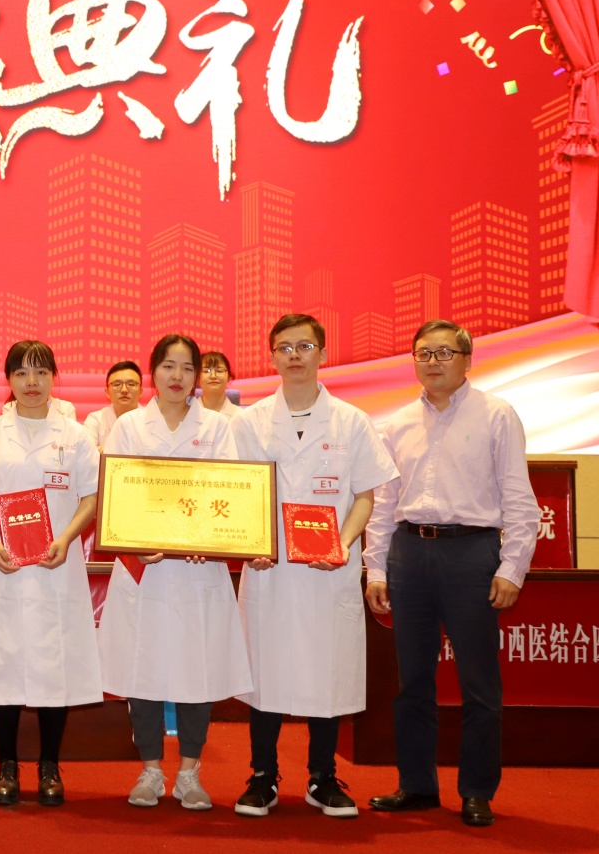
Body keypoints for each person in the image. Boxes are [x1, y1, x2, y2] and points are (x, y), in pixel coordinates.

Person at [364, 320, 540, 828]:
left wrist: (512, 568)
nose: (433, 362)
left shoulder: (496, 414)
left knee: (478, 683)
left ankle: (477, 790)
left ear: (467, 359)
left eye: (444, 353)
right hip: (409, 554)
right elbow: (384, 503)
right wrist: (375, 568)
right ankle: (417, 785)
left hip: (471, 553)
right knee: (412, 681)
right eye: (423, 353)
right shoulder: (396, 423)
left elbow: (519, 498)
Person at [230, 313, 398, 819]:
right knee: (266, 671)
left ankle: (323, 778)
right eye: (285, 347)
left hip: (330, 571)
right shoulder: (250, 422)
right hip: (270, 569)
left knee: (328, 672)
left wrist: (342, 546)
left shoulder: (351, 421)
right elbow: (237, 495)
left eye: (305, 346)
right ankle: (262, 776)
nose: (295, 356)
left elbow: (364, 497)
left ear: (322, 354)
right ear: (272, 357)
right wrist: (251, 544)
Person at [99, 335, 252, 810]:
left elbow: (227, 493)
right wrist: (136, 542)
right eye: (168, 366)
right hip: (143, 570)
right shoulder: (129, 425)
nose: (178, 376)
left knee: (195, 669)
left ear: (197, 376)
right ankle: (150, 770)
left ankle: (189, 773)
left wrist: (208, 539)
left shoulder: (218, 427)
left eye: (187, 368)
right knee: (142, 669)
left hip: (196, 570)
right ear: (153, 373)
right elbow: (115, 494)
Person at [0, 340, 103, 807]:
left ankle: (50, 767)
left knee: (55, 666)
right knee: (3, 664)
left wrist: (67, 537)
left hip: (57, 566)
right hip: (2, 567)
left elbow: (91, 498)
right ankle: (7, 766)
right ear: (9, 380)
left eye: (40, 372)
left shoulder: (76, 435)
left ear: (54, 376)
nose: (31, 382)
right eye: (21, 373)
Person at [83, 360, 143, 448]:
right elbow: (87, 452)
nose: (124, 390)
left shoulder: (151, 420)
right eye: (117, 384)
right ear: (107, 392)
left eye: (131, 384)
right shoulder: (96, 420)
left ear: (141, 391)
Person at [199, 351, 241, 420]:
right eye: (207, 371)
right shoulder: (186, 413)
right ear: (197, 378)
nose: (213, 376)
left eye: (219, 371)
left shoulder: (240, 416)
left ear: (229, 378)